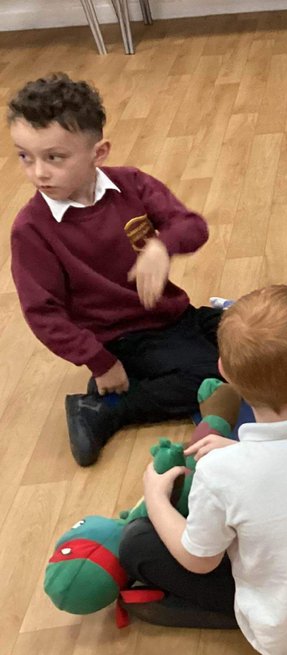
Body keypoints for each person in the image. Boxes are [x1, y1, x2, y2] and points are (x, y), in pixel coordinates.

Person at [119, 285, 287, 654]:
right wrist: (242, 455)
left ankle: (211, 616)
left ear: (224, 373)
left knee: (137, 543)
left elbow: (200, 559)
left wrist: (155, 497)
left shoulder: (220, 474)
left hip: (285, 632)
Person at [8, 73, 218, 467]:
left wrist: (161, 246)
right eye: (24, 156)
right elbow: (43, 313)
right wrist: (100, 360)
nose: (38, 173)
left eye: (54, 157)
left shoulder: (131, 183)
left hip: (175, 316)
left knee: (253, 336)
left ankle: (137, 381)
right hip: (121, 337)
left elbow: (193, 226)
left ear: (98, 153)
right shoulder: (31, 229)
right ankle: (106, 408)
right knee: (213, 380)